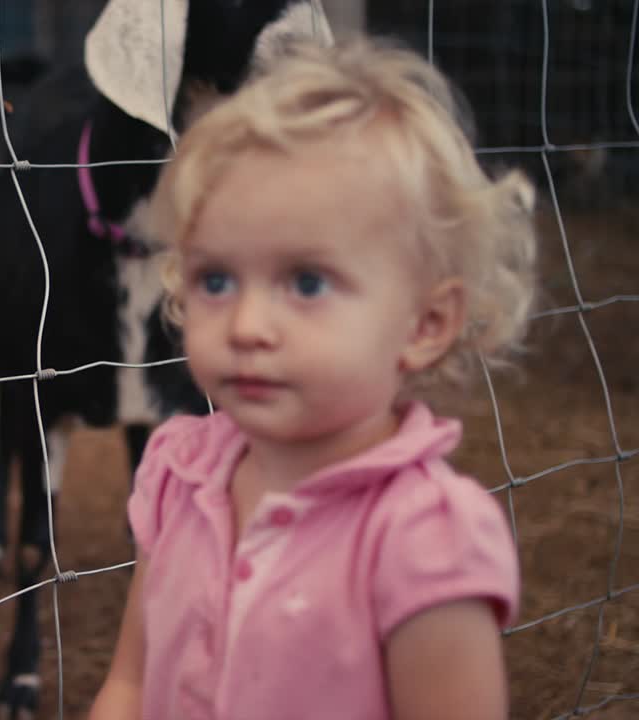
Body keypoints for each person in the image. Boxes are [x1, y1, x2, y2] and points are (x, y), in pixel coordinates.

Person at [88, 36, 538, 720]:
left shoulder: (423, 540)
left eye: (305, 281)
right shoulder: (179, 474)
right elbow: (129, 683)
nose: (246, 325)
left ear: (425, 322)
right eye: (216, 279)